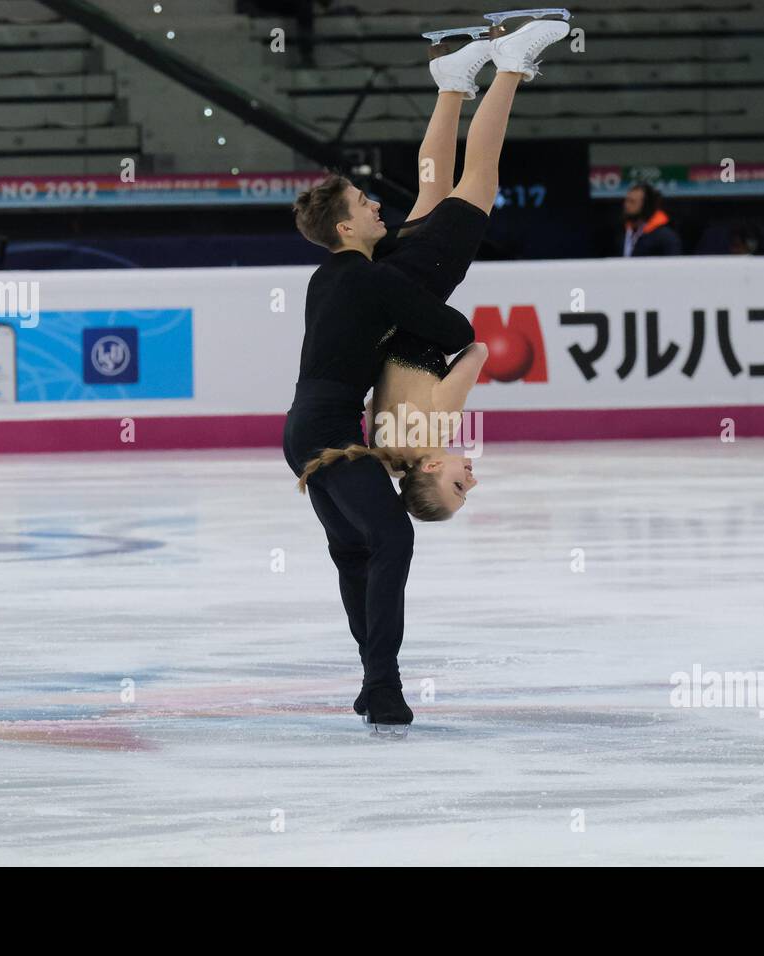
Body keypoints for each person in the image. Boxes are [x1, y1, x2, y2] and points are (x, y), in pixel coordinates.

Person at [284, 10, 571, 733]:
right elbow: (421, 324)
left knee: (473, 183)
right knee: (445, 189)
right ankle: (466, 80)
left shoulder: (349, 276)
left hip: (317, 425)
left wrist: (430, 345)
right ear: (348, 229)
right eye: (362, 202)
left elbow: (459, 331)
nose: (373, 202)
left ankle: (506, 67)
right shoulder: (355, 273)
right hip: (309, 430)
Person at [298, 9, 572, 522]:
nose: (470, 480)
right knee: (432, 189)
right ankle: (450, 83)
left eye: (457, 487)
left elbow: (477, 350)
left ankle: (510, 64)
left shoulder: (432, 434)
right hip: (395, 293)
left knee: (482, 177)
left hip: (423, 284)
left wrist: (446, 351)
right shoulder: (382, 449)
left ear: (429, 473)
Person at [621, 181, 682, 256]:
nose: (626, 205)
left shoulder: (665, 237)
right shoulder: (623, 232)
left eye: (632, 202)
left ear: (646, 205)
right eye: (626, 200)